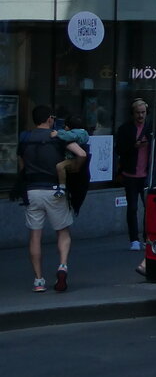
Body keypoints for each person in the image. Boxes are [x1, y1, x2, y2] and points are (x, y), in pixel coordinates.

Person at [17, 105, 84, 292]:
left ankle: (38, 280)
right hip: (55, 190)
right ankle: (62, 265)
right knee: (62, 231)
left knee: (35, 236)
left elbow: (22, 166)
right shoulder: (58, 136)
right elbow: (80, 153)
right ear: (49, 119)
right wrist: (74, 167)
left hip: (32, 191)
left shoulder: (24, 138)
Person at [115, 98, 152, 250]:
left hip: (146, 174)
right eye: (138, 113)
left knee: (148, 208)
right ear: (133, 114)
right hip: (130, 174)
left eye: (143, 112)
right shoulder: (125, 129)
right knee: (132, 207)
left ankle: (146, 237)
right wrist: (134, 146)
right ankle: (134, 239)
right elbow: (119, 150)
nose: (140, 116)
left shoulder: (151, 128)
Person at [52, 115, 91, 215]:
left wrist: (57, 133)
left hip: (73, 159)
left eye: (65, 126)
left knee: (60, 166)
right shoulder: (84, 133)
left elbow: (69, 136)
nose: (64, 128)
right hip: (78, 167)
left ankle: (62, 187)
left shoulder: (76, 134)